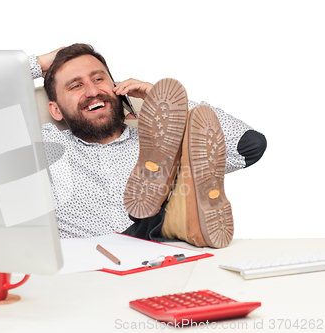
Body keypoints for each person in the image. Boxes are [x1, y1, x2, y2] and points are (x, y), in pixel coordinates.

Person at [28, 44, 266, 248]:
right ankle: (176, 216)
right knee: (155, 221)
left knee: (164, 203)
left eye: (99, 79)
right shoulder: (42, 145)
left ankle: (177, 209)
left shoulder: (157, 138)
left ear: (117, 88)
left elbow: (249, 146)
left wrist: (165, 105)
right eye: (76, 86)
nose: (93, 91)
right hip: (88, 266)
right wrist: (38, 63)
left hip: (159, 263)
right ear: (55, 110)